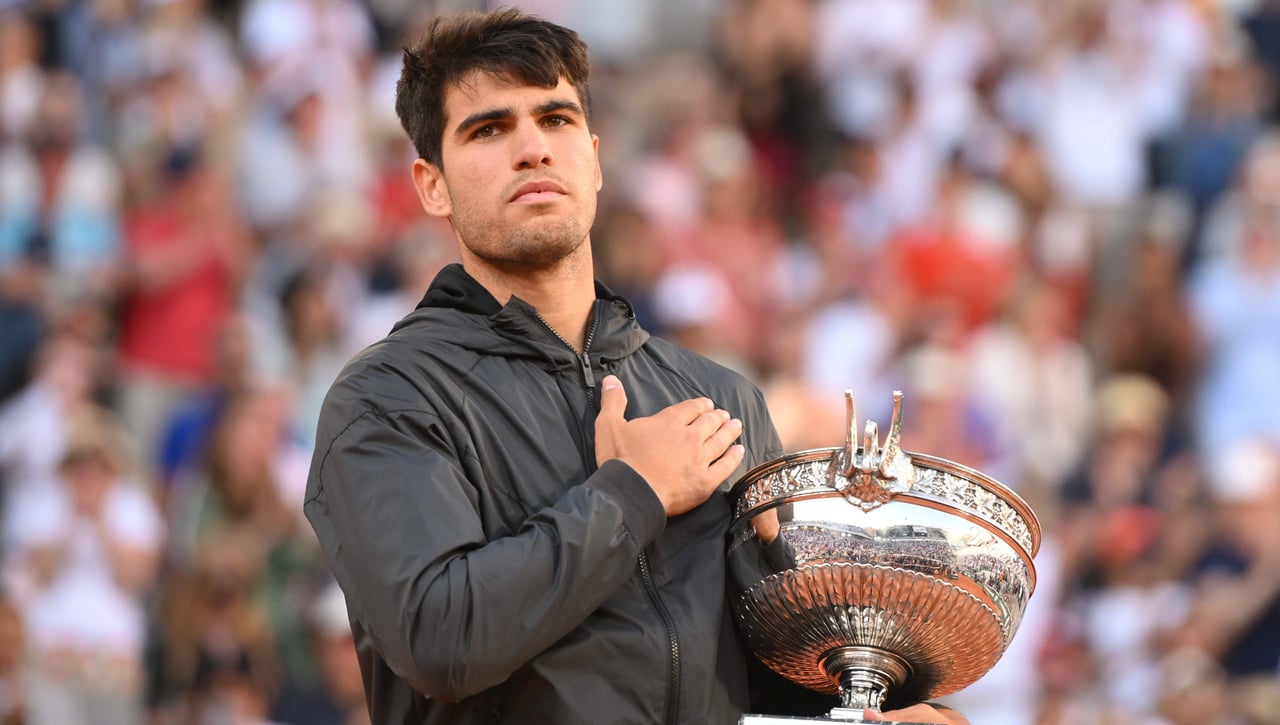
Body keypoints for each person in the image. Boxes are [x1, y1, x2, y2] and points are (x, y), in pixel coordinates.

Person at [303, 9, 967, 724]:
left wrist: (900, 702)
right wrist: (634, 489)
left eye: (554, 119)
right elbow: (440, 638)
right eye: (489, 129)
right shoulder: (388, 397)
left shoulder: (720, 399)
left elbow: (757, 666)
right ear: (432, 185)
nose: (532, 148)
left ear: (593, 157)